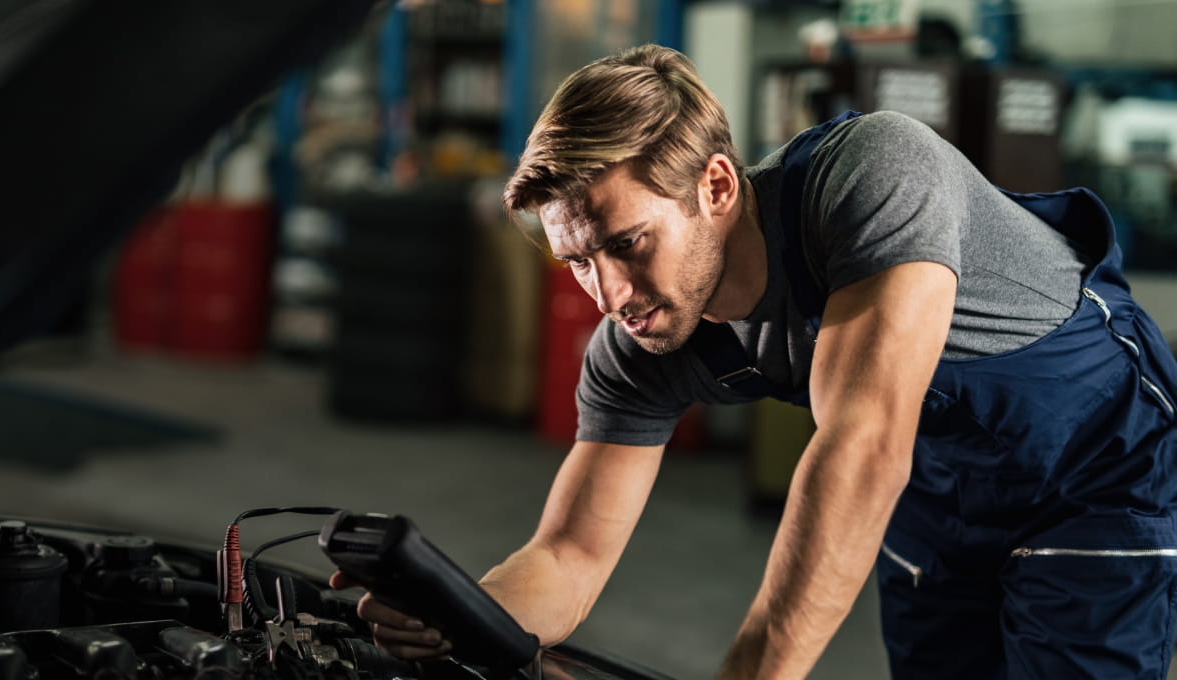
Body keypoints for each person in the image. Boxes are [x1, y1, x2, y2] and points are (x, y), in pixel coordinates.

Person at [331, 44, 1177, 679]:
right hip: (939, 493)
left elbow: (865, 444)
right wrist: (460, 613)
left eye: (628, 244)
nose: (610, 293)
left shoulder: (872, 177)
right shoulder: (637, 345)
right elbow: (569, 557)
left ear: (718, 187)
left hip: (1093, 468)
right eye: (579, 262)